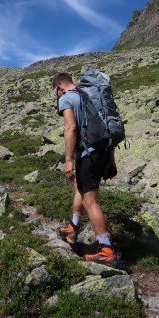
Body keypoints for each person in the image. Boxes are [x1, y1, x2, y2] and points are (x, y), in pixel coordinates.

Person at [52, 72, 116, 263]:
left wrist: (69, 160)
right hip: (103, 151)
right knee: (80, 186)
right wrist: (111, 159)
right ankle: (73, 227)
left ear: (59, 87)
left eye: (55, 92)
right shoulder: (89, 96)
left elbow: (70, 128)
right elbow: (107, 126)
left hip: (87, 153)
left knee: (91, 201)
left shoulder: (66, 99)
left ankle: (106, 250)